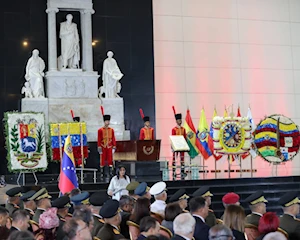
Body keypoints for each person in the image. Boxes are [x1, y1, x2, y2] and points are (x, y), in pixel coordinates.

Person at [98, 108, 116, 178]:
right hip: (103, 146)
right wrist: (99, 147)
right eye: (106, 121)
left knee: (110, 160)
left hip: (109, 146)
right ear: (104, 122)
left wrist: (114, 146)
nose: (107, 122)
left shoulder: (111, 130)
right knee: (102, 160)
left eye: (108, 121)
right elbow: (99, 139)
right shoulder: (100, 130)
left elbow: (113, 138)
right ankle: (102, 172)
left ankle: (110, 172)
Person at [171, 107, 186, 176]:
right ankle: (173, 172)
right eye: (178, 120)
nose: (180, 121)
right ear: (176, 121)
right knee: (174, 158)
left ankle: (182, 171)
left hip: (182, 145)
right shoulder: (174, 129)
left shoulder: (183, 129)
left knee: (182, 158)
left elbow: (185, 137)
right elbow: (173, 137)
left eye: (180, 120)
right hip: (176, 145)